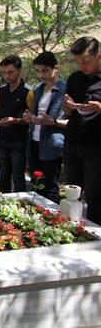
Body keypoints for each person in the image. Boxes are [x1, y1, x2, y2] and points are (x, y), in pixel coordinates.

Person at [62, 36, 101, 223]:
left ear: (99, 55)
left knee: (95, 197)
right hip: (73, 143)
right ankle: (70, 231)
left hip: (96, 148)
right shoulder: (75, 78)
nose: (81, 66)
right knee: (71, 193)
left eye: (85, 61)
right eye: (77, 62)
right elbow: (68, 112)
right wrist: (67, 107)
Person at [22, 52, 67, 203]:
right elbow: (37, 115)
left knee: (50, 184)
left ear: (56, 68)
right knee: (36, 182)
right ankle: (37, 217)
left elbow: (72, 121)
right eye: (37, 71)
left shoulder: (65, 90)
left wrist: (53, 122)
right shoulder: (38, 89)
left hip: (52, 143)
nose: (41, 75)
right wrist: (30, 117)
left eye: (45, 70)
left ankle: (52, 219)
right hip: (34, 140)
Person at [0, 55, 32, 193]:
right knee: (4, 175)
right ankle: (3, 205)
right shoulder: (1, 90)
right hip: (2, 139)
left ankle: (20, 206)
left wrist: (15, 120)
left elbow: (33, 119)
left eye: (10, 72)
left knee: (18, 177)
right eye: (3, 73)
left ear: (19, 71)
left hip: (20, 141)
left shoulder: (29, 91)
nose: (7, 76)